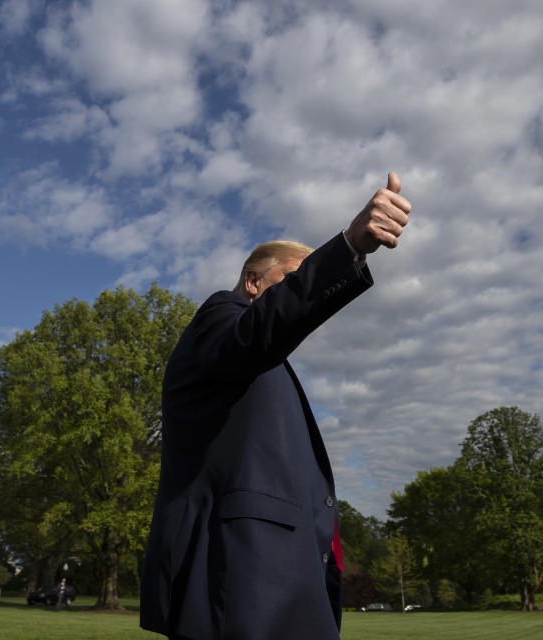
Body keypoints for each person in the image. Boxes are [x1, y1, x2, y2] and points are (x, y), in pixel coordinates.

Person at [140, 173, 413, 640]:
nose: (300, 288)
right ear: (252, 281)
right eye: (292, 278)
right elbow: (256, 334)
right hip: (239, 579)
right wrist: (348, 247)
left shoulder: (265, 362)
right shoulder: (220, 318)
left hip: (278, 579)